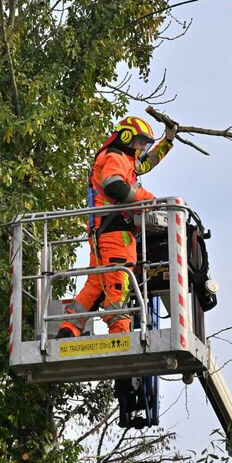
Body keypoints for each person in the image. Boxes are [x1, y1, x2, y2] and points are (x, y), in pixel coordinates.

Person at [58, 116, 176, 338]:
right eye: (140, 142)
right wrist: (147, 199)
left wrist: (168, 141)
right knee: (118, 287)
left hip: (102, 232)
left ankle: (69, 328)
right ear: (127, 136)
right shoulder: (116, 156)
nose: (142, 148)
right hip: (116, 233)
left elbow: (147, 163)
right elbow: (115, 187)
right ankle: (120, 338)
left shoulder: (124, 159)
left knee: (96, 284)